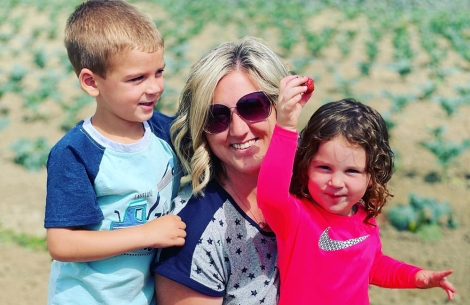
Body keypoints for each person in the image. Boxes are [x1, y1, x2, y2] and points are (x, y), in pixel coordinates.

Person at [44, 1, 186, 304]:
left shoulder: (164, 132)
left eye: (158, 72)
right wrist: (148, 234)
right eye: (137, 79)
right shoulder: (76, 152)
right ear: (91, 82)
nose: (155, 87)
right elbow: (62, 243)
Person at [257, 90, 457, 304]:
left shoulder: (365, 219)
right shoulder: (296, 216)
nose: (336, 182)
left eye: (351, 171)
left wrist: (415, 276)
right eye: (324, 168)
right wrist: (286, 128)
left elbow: (373, 266)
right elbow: (270, 196)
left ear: (371, 176)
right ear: (306, 167)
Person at [153, 37, 312, 305]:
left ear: (283, 106)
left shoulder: (316, 188)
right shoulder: (196, 231)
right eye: (217, 117)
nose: (238, 130)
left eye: (253, 107)